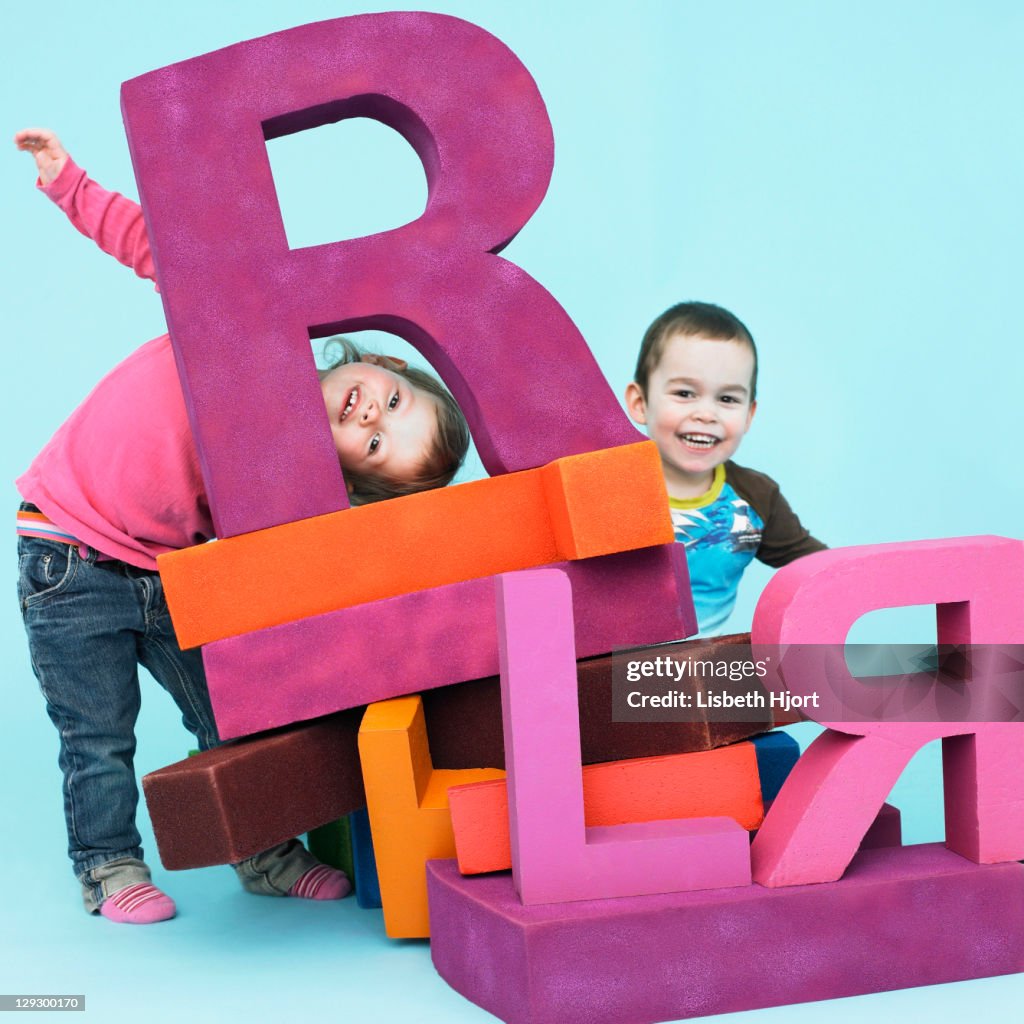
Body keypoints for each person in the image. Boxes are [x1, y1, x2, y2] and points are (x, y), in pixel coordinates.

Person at [14, 128, 470, 923]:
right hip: (68, 545)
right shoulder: (255, 329)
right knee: (96, 731)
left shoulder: (285, 487)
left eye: (373, 445)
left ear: (347, 476)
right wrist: (69, 183)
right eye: (390, 403)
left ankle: (260, 849)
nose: (370, 415)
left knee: (233, 714)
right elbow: (157, 248)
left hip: (165, 572)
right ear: (388, 366)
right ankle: (109, 866)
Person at [625, 301, 824, 635]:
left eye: (728, 399)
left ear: (749, 414)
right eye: (685, 393)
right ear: (640, 403)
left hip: (708, 670)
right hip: (608, 671)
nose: (707, 414)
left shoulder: (756, 498)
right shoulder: (610, 487)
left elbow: (823, 570)